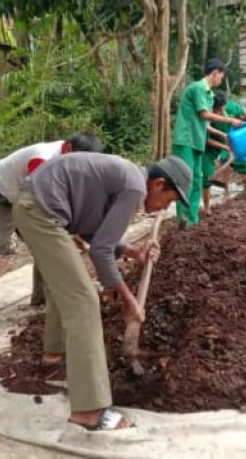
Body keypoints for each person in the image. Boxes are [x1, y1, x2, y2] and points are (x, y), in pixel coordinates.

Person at [13, 153, 192, 430]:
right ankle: (89, 412)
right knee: (84, 300)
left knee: (69, 286)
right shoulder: (134, 187)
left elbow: (93, 232)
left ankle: (54, 354)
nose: (163, 208)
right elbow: (100, 252)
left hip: (34, 207)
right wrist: (128, 299)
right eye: (168, 200)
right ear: (158, 184)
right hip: (41, 213)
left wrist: (132, 252)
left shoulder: (129, 178)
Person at [0, 132, 104, 327]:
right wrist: (64, 230)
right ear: (70, 149)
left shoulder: (69, 160)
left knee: (44, 241)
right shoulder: (43, 157)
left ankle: (39, 296)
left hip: (23, 196)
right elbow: (37, 196)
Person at [171, 59, 244, 227]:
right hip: (185, 140)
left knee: (197, 179)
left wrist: (223, 135)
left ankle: (193, 220)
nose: (220, 80)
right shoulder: (198, 88)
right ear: (215, 73)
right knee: (185, 180)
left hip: (197, 142)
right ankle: (184, 220)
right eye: (221, 76)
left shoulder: (209, 95)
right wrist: (230, 120)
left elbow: (205, 125)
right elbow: (205, 115)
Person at [202, 92, 246, 212]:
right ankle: (208, 207)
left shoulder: (229, 107)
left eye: (223, 109)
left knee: (245, 160)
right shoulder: (206, 116)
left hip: (231, 138)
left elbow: (242, 110)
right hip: (211, 144)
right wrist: (225, 147)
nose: (221, 112)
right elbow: (207, 139)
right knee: (208, 174)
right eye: (217, 111)